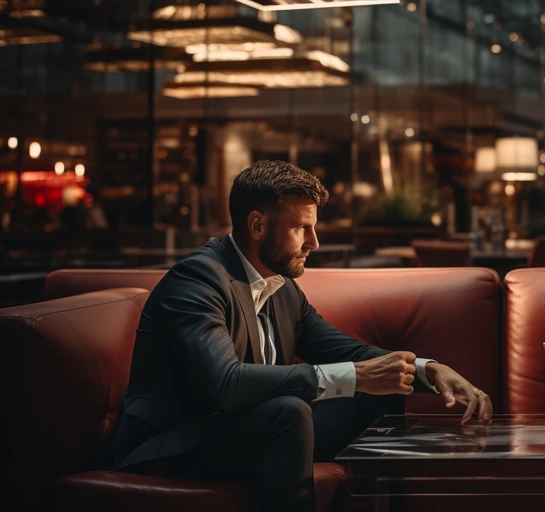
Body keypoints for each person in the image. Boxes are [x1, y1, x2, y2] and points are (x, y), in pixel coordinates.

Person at [103, 160, 492, 511]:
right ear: (257, 225)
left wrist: (426, 369)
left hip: (246, 431)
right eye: (301, 228)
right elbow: (225, 383)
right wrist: (355, 376)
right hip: (177, 441)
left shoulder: (280, 285)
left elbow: (346, 350)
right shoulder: (199, 280)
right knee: (289, 412)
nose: (314, 242)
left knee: (384, 387)